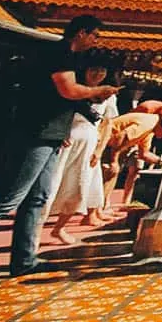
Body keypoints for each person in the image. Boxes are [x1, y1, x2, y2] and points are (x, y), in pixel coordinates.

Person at [0, 15, 115, 277]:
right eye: (95, 35)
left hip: (52, 134)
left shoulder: (69, 57)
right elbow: (68, 90)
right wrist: (97, 91)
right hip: (36, 132)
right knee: (11, 197)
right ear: (82, 33)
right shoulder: (59, 52)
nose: (95, 41)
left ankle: (24, 260)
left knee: (38, 197)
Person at [44, 53, 118, 243]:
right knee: (51, 185)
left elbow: (107, 124)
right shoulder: (73, 90)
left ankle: (60, 227)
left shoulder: (108, 97)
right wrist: (60, 133)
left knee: (79, 186)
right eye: (94, 70)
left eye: (102, 70)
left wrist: (99, 151)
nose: (98, 74)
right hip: (66, 141)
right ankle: (35, 231)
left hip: (89, 143)